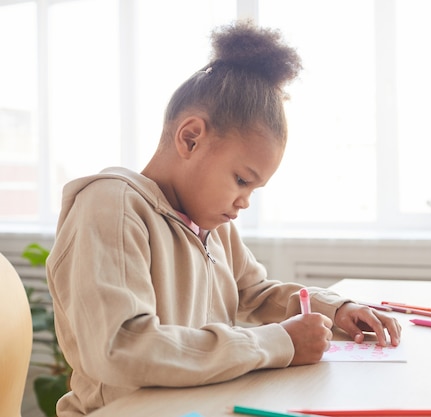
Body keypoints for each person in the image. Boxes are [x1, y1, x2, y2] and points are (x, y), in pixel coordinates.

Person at [46, 21, 402, 417]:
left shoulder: (213, 226)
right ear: (190, 138)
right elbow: (123, 347)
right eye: (241, 180)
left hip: (199, 404)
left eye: (253, 189)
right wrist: (277, 343)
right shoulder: (111, 206)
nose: (244, 202)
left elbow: (256, 293)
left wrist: (333, 308)